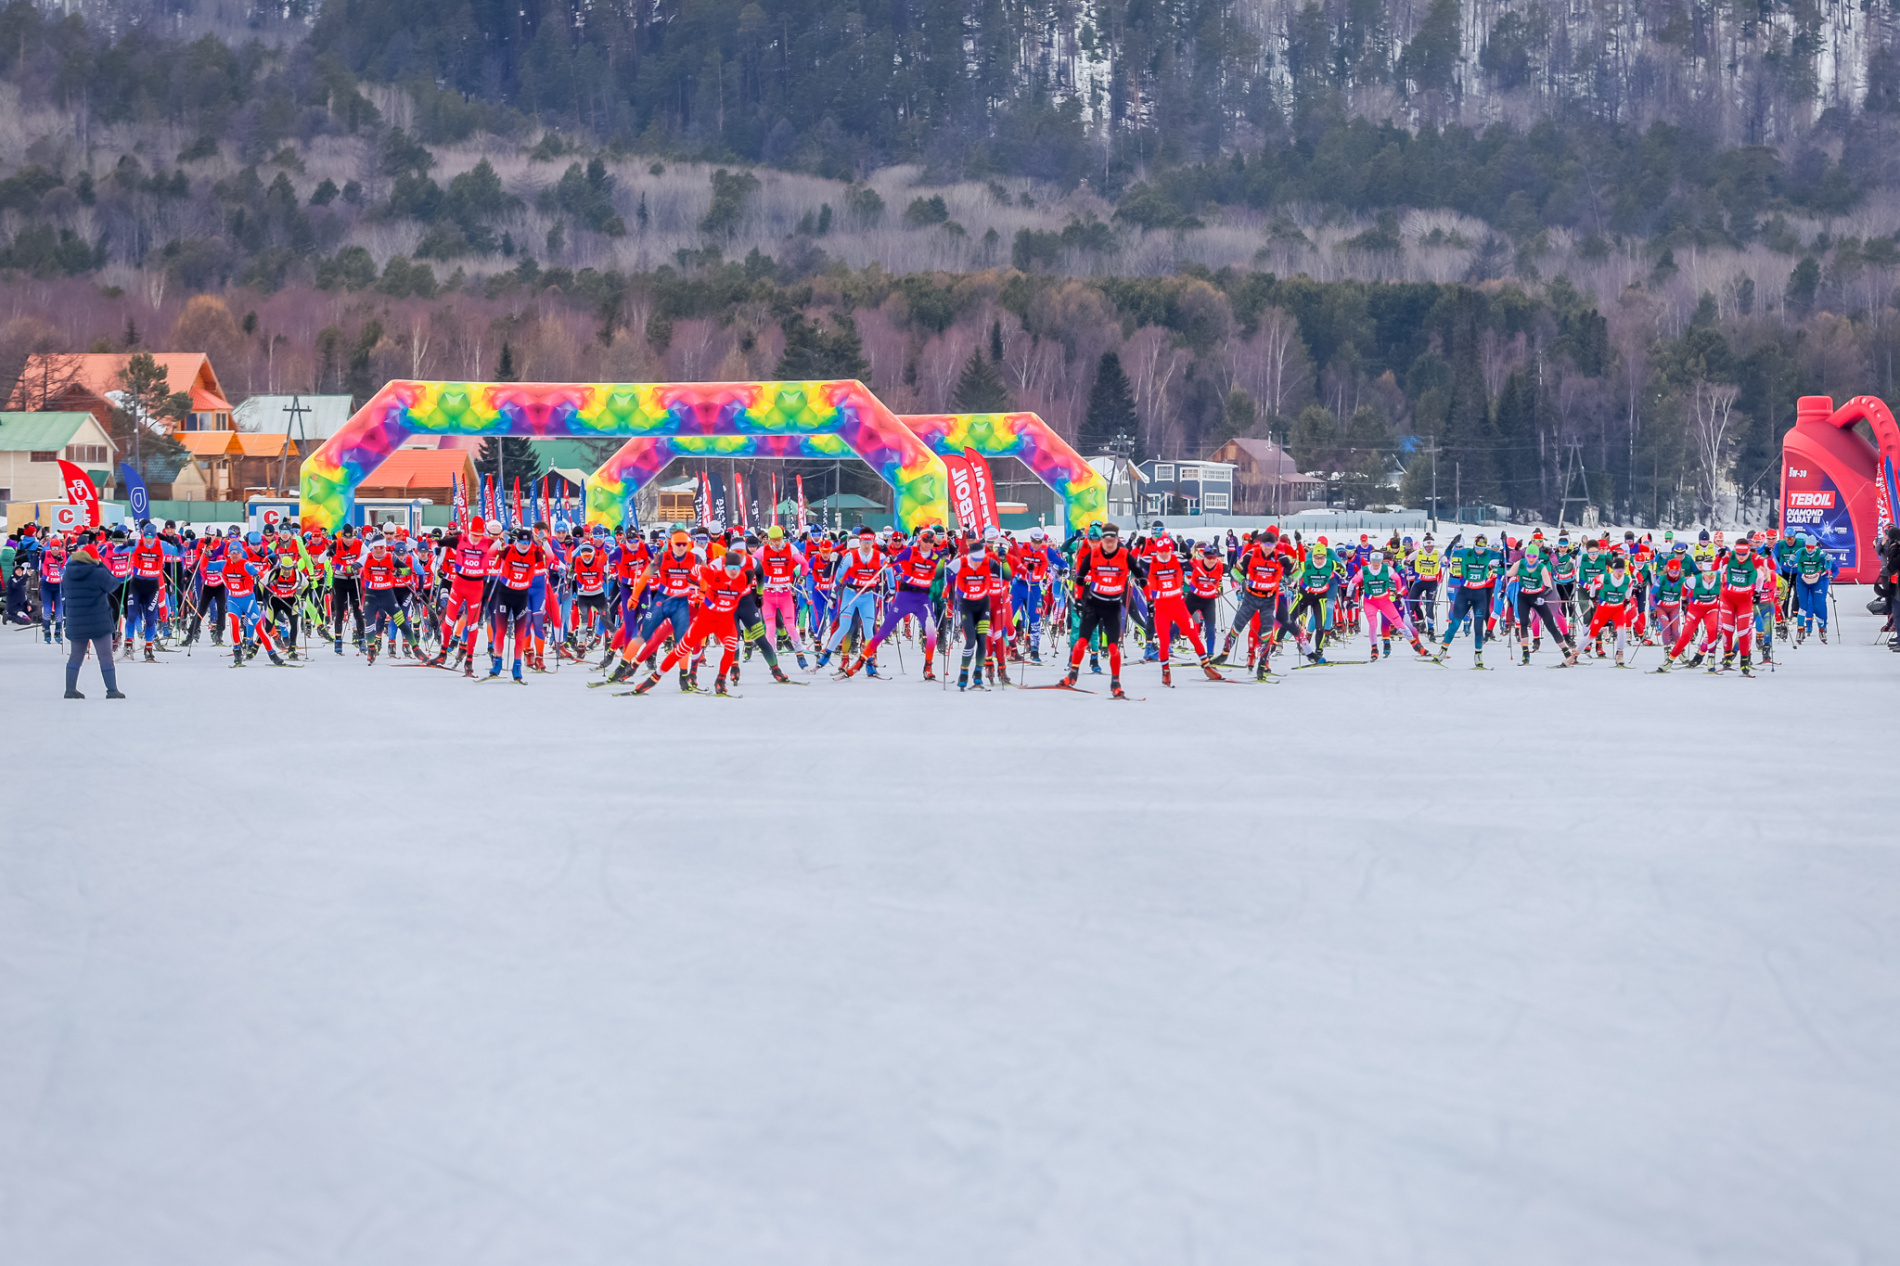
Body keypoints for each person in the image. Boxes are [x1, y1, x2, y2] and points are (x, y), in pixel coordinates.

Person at [59, 533, 127, 699]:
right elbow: (114, 584)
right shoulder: (98, 573)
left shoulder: (68, 574)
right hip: (98, 621)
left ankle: (70, 690)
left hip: (76, 621)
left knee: (75, 655)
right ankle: (112, 690)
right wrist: (102, 566)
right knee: (105, 655)